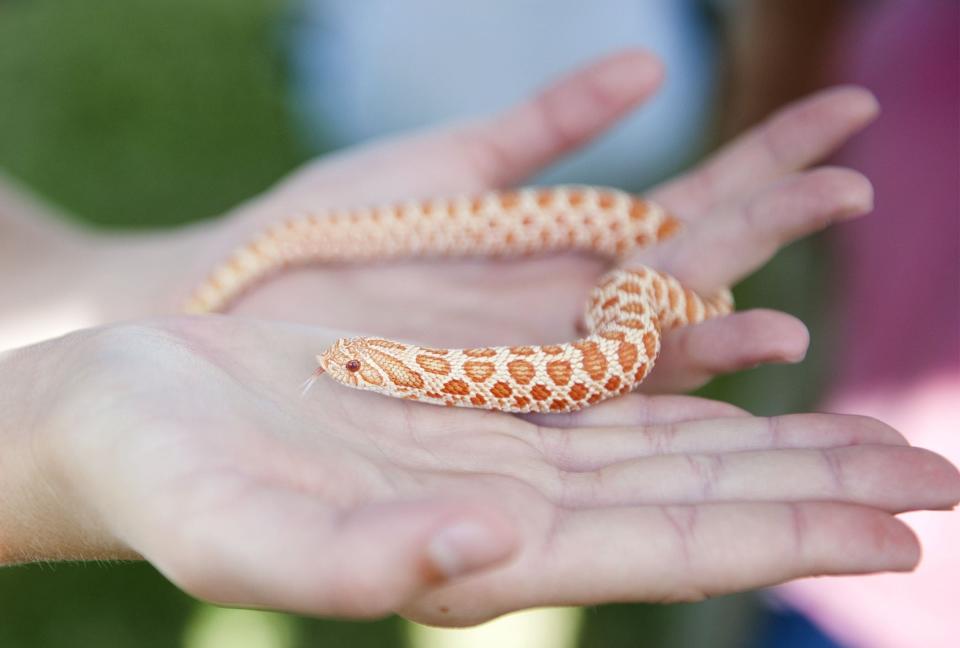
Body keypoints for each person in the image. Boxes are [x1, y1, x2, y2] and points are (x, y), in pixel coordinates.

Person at [0, 52, 957, 626]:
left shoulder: (569, 321)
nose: (336, 367)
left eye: (351, 362)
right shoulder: (415, 368)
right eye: (347, 365)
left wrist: (128, 298)